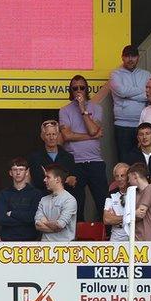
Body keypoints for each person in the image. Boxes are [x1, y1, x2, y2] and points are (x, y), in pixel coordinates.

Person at [59, 74, 108, 221]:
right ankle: (78, 238)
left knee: (103, 202)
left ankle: (107, 236)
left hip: (95, 161)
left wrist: (82, 109)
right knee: (77, 204)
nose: (78, 90)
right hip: (75, 163)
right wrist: (91, 136)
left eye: (82, 87)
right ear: (71, 91)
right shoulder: (64, 110)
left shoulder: (96, 108)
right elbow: (67, 136)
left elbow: (93, 129)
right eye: (75, 88)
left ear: (87, 89)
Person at [110, 45, 151, 159]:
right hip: (122, 126)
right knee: (125, 161)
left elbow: (150, 95)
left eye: (133, 56)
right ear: (122, 58)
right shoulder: (115, 74)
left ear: (138, 57)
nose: (130, 59)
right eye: (127, 56)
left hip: (143, 125)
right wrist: (142, 90)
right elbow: (122, 91)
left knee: (144, 160)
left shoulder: (146, 75)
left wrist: (128, 94)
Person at [0, 158, 43, 241]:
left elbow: (33, 217)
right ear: (10, 172)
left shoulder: (36, 194)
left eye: (21, 169)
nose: (18, 173)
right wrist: (25, 220)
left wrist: (12, 213)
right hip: (7, 240)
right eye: (15, 170)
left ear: (27, 172)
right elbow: (1, 219)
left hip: (30, 241)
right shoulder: (4, 194)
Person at [27, 120, 77, 192]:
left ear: (58, 135)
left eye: (54, 134)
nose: (51, 138)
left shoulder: (68, 157)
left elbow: (73, 181)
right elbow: (37, 182)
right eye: (48, 134)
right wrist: (64, 180)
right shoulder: (35, 157)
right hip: (43, 197)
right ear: (42, 136)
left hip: (63, 199)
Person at [34, 164, 78, 242]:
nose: (44, 180)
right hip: (44, 248)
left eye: (48, 177)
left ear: (57, 179)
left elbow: (60, 225)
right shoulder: (43, 200)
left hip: (64, 249)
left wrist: (45, 222)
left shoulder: (69, 200)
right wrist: (55, 228)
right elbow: (37, 225)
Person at [128, 163, 151, 241]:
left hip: (148, 237)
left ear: (135, 176)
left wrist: (126, 216)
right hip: (137, 237)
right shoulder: (136, 193)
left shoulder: (150, 189)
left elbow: (140, 214)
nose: (128, 181)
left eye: (129, 178)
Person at [103, 163, 130, 242]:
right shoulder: (111, 194)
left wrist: (116, 218)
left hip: (134, 237)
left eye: (122, 175)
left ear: (128, 177)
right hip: (116, 238)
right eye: (117, 176)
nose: (119, 179)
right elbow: (106, 219)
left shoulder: (135, 193)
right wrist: (127, 218)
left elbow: (138, 217)